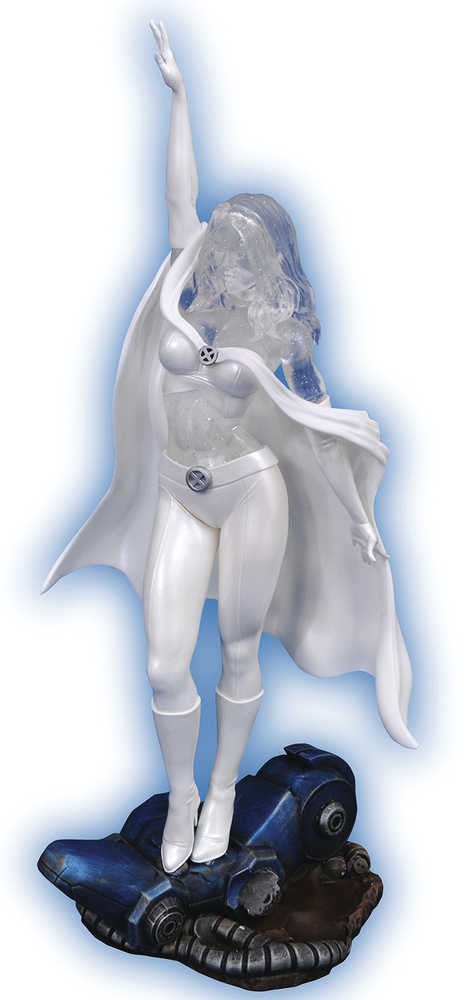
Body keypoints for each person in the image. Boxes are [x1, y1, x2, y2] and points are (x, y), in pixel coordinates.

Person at [42, 23, 416, 875]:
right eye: (219, 244)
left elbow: (317, 426)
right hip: (179, 488)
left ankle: (220, 793)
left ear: (264, 257)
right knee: (163, 663)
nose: (221, 255)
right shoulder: (184, 286)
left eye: (237, 249)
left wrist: (359, 517)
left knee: (239, 649)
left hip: (251, 490)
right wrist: (179, 98)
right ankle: (181, 796)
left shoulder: (280, 335)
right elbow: (178, 199)